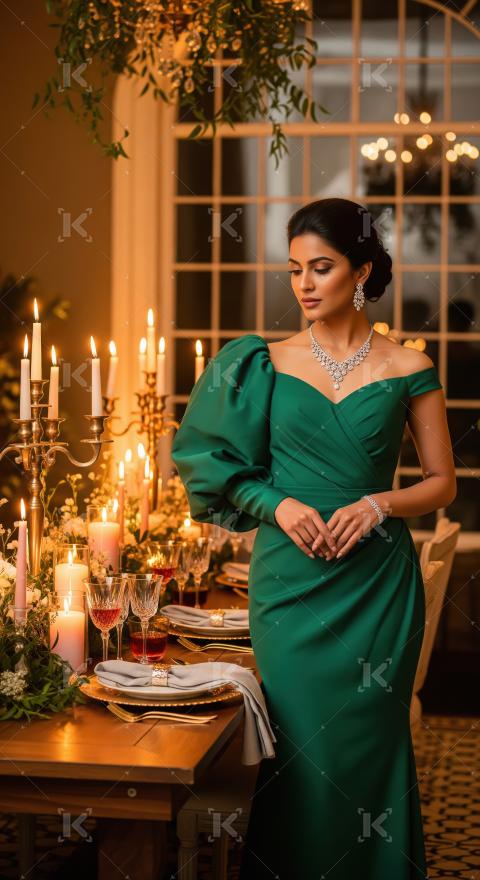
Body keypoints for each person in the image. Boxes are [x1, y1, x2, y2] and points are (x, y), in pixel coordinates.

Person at [170, 197, 456, 879]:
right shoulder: (257, 363)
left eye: (320, 268)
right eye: (295, 268)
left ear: (360, 271)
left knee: (368, 753)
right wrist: (279, 505)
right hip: (289, 591)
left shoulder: (408, 365)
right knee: (299, 754)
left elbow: (442, 484)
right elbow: (211, 470)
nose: (303, 283)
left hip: (377, 594)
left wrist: (380, 505)